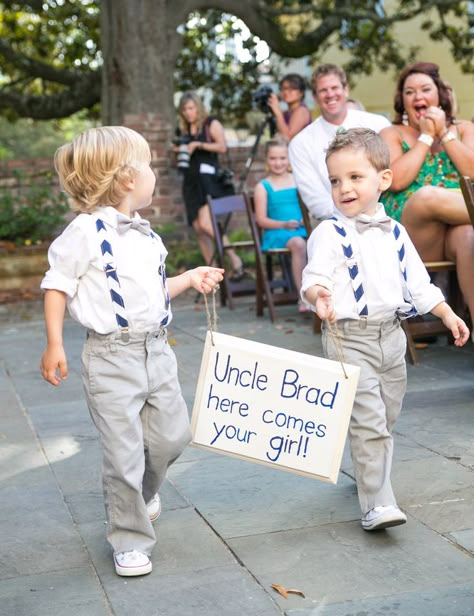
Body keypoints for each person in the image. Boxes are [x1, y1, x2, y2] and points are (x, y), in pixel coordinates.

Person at [39, 126, 224, 578]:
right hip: (110, 359)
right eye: (148, 166)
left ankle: (144, 492)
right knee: (122, 453)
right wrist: (55, 343)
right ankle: (128, 539)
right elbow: (57, 286)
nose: (154, 174)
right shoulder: (82, 232)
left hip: (156, 352)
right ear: (126, 179)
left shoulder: (146, 236)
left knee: (173, 437)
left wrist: (188, 279)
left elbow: (150, 291)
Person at [301, 128, 469, 532]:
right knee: (370, 421)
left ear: (383, 180)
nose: (344, 188)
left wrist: (447, 314)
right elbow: (313, 277)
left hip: (392, 337)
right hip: (348, 338)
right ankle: (377, 503)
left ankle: (366, 464)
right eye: (336, 180)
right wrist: (318, 295)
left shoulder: (396, 232)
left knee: (387, 415)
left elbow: (419, 282)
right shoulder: (329, 232)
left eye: (355, 177)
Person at [380, 62, 474, 332]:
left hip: (457, 229)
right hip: (414, 237)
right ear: (402, 100)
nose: (418, 96)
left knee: (469, 236)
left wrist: (444, 133)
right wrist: (424, 137)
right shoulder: (392, 133)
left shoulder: (464, 129)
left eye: (425, 89)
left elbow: (472, 170)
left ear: (440, 95)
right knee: (426, 196)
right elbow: (395, 179)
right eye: (410, 92)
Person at [289, 63, 390, 221]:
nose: (330, 94)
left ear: (346, 90)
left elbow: (391, 175)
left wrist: (374, 215)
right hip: (335, 224)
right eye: (323, 90)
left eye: (335, 88)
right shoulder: (301, 143)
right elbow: (318, 203)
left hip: (386, 215)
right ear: (315, 97)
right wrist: (360, 217)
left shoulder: (379, 124)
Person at [175, 91, 243, 278]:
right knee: (198, 228)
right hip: (191, 182)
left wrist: (199, 145)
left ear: (198, 107)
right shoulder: (184, 129)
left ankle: (234, 258)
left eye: (191, 108)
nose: (188, 113)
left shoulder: (210, 124)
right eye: (185, 110)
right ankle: (211, 272)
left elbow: (222, 147)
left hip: (209, 180)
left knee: (206, 223)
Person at [254, 138, 308, 312]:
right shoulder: (263, 187)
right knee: (299, 244)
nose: (278, 163)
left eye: (282, 158)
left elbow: (309, 207)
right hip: (277, 231)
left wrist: (304, 220)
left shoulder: (298, 180)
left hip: (301, 228)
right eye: (273, 158)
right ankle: (304, 298)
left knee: (322, 241)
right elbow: (261, 220)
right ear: (266, 160)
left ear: (289, 159)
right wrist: (284, 224)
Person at [267, 73, 313, 141]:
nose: (286, 92)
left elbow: (287, 137)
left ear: (301, 92)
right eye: (283, 89)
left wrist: (277, 111)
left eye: (291, 89)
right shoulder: (286, 113)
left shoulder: (301, 111)